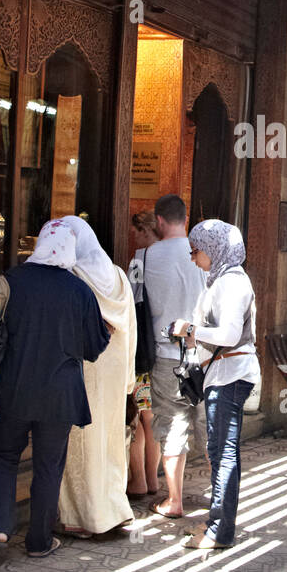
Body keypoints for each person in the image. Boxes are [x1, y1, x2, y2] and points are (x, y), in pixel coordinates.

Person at [0, 220, 111, 561]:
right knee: (49, 466)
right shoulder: (80, 291)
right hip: (59, 396)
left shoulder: (9, 282)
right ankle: (38, 542)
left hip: (11, 389)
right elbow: (94, 348)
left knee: (4, 457)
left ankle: (0, 530)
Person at [171, 220, 259, 551]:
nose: (193, 258)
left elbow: (230, 335)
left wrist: (191, 329)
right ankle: (216, 523)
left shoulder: (233, 283)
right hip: (222, 374)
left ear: (213, 249)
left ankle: (220, 530)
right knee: (218, 451)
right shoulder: (222, 280)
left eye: (196, 251)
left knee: (223, 453)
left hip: (231, 375)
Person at [56, 216, 136, 538]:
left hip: (83, 367)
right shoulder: (117, 276)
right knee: (109, 441)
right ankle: (113, 510)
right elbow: (130, 327)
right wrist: (129, 378)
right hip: (114, 368)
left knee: (82, 445)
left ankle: (84, 519)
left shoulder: (72, 276)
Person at [133, 194, 206, 519]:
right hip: (203, 352)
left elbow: (132, 309)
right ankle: (220, 496)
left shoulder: (142, 258)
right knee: (209, 424)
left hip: (163, 354)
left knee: (172, 424)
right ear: (185, 218)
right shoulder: (205, 257)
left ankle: (174, 500)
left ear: (159, 221)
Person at [128, 212, 161, 498]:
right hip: (164, 350)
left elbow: (133, 301)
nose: (133, 238)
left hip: (142, 352)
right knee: (153, 420)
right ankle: (154, 480)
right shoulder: (176, 257)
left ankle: (138, 481)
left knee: (139, 419)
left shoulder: (140, 258)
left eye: (136, 232)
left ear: (144, 232)